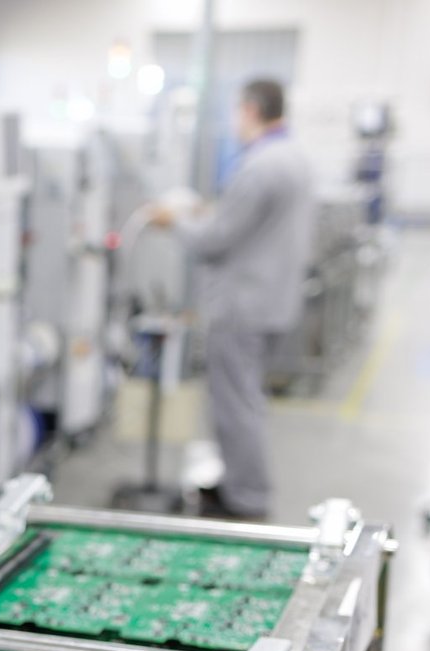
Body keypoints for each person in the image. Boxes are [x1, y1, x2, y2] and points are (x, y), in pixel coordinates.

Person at [149, 77, 314, 521]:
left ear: (250, 110)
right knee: (247, 401)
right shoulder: (293, 157)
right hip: (274, 302)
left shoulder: (260, 165)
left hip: (243, 306)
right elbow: (249, 223)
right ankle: (241, 484)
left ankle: (247, 498)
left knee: (236, 406)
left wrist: (173, 222)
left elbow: (216, 240)